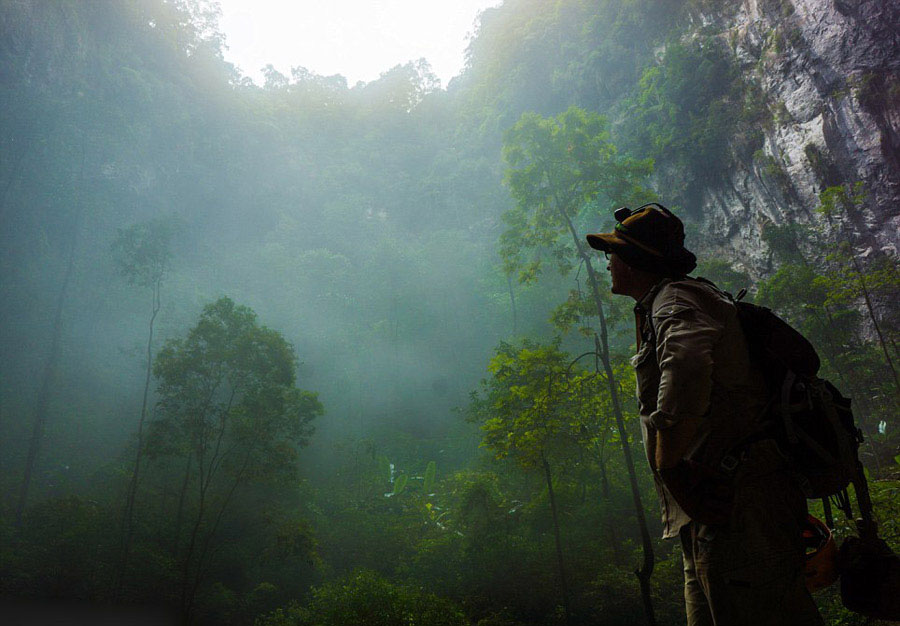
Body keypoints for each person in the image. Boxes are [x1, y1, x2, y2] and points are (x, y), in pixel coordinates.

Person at [586, 204, 823, 626]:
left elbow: (689, 366)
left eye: (614, 253)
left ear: (637, 259)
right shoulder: (667, 301)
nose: (608, 263)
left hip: (738, 502)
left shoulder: (675, 298)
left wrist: (669, 466)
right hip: (710, 510)